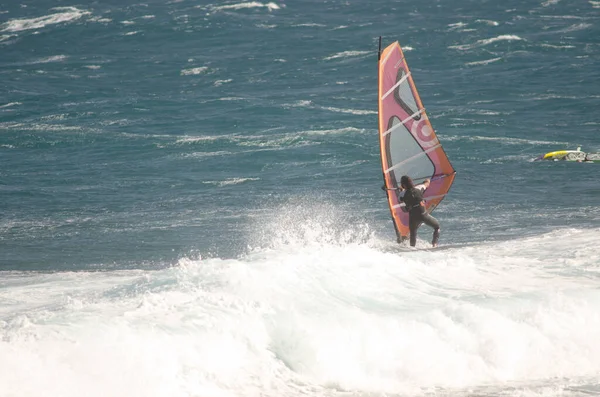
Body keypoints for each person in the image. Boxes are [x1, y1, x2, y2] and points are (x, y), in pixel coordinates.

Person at [397, 175, 440, 247]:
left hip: (413, 218)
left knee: (413, 234)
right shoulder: (419, 188)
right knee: (437, 227)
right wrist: (427, 180)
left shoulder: (401, 195)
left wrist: (401, 190)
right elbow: (427, 184)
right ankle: (434, 244)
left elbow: (401, 203)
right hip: (424, 215)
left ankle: (412, 249)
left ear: (403, 185)